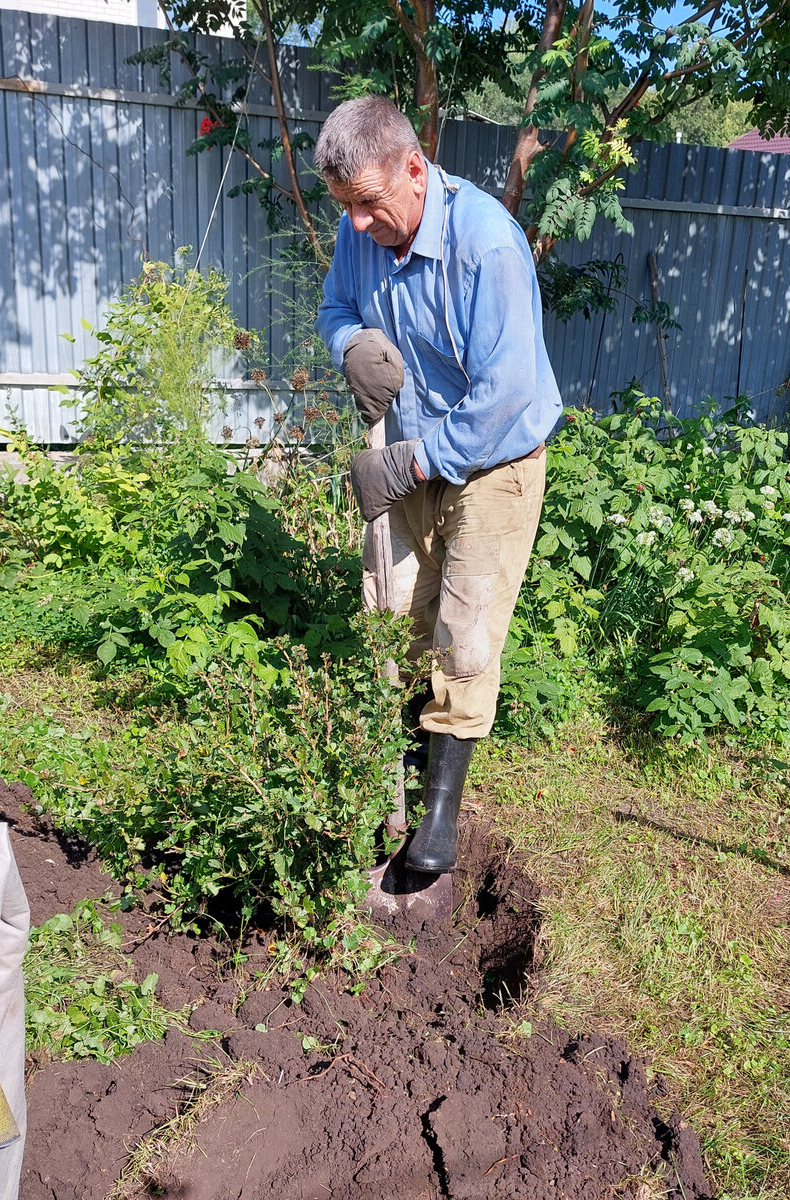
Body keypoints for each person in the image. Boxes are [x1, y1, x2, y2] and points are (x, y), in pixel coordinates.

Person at [314, 96, 562, 875]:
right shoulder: (360, 233)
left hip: (494, 463)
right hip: (410, 452)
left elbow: (505, 395)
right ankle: (398, 773)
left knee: (463, 633)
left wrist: (411, 465)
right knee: (398, 618)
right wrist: (349, 342)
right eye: (345, 207)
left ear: (414, 170)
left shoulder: (487, 244)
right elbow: (335, 305)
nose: (357, 224)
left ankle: (441, 814)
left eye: (368, 203)